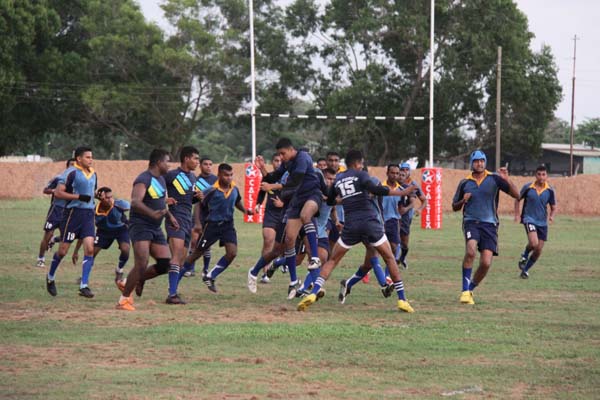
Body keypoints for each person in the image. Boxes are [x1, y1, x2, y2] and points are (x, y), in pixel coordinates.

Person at [297, 149, 418, 313]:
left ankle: (313, 292)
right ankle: (402, 300)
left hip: (351, 225)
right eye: (361, 163)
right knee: (389, 257)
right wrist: (402, 192)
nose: (362, 166)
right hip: (370, 223)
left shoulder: (339, 178)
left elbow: (331, 199)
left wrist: (342, 199)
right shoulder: (361, 175)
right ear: (357, 163)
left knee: (332, 260)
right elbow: (376, 189)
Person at [255, 138, 325, 298]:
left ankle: (313, 287)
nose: (280, 158)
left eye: (282, 154)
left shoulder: (304, 162)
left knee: (311, 251)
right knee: (284, 245)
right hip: (291, 210)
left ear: (291, 150)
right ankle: (288, 278)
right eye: (278, 155)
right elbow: (274, 179)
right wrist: (263, 170)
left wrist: (332, 198)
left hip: (306, 206)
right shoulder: (288, 165)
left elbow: (296, 183)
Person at [452, 150, 519, 305]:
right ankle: (464, 291)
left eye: (482, 160)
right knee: (470, 251)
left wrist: (507, 180)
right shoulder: (465, 182)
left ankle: (470, 289)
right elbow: (454, 207)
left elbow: (517, 195)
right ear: (472, 163)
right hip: (471, 222)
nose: (480, 163)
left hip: (490, 225)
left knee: (486, 263)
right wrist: (463, 201)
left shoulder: (495, 179)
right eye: (476, 161)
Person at [116, 149, 180, 311]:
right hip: (140, 226)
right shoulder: (143, 179)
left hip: (155, 227)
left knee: (165, 264)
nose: (169, 165)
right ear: (158, 162)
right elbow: (135, 202)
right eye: (167, 162)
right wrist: (152, 213)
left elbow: (159, 200)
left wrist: (169, 215)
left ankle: (128, 282)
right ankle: (123, 301)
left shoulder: (161, 179)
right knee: (142, 263)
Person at [180, 163, 253, 293]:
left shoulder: (234, 189)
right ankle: (176, 280)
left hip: (228, 225)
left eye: (231, 175)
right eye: (226, 175)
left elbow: (237, 201)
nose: (229, 178)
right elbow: (198, 204)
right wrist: (197, 223)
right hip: (212, 226)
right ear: (219, 175)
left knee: (232, 253)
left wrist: (245, 211)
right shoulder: (211, 190)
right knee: (197, 254)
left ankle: (210, 276)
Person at [46, 147, 97, 298]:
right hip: (73, 214)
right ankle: (50, 277)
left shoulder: (93, 173)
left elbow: (91, 192)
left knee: (90, 249)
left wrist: (99, 196)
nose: (91, 159)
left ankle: (84, 286)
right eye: (87, 157)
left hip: (89, 214)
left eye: (91, 157)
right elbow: (58, 192)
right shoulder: (70, 173)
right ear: (79, 159)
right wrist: (78, 197)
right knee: (62, 251)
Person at [72, 186, 130, 290]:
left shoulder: (119, 204)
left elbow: (133, 207)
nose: (110, 199)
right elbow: (83, 231)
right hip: (104, 232)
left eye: (111, 197)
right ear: (101, 198)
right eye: (107, 198)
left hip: (121, 230)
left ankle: (119, 270)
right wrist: (76, 250)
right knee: (91, 253)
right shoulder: (95, 211)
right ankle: (84, 277)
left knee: (125, 250)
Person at [163, 146, 201, 304]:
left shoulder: (193, 177)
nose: (197, 162)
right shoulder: (171, 175)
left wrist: (197, 197)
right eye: (195, 159)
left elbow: (188, 200)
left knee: (182, 259)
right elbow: (154, 190)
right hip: (175, 219)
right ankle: (172, 295)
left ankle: (172, 290)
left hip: (187, 220)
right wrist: (165, 201)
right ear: (186, 159)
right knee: (176, 255)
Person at [514, 165, 557, 279]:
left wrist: (552, 216)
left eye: (543, 174)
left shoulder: (550, 190)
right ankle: (524, 255)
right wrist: (517, 214)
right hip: (529, 219)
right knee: (533, 243)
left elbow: (553, 207)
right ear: (535, 175)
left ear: (547, 176)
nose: (541, 177)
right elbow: (517, 199)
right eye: (539, 174)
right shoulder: (528, 187)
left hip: (542, 223)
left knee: (538, 250)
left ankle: (525, 270)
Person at [36, 158, 75, 268]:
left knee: (69, 236)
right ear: (67, 166)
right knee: (48, 234)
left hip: (69, 212)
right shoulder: (59, 178)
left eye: (75, 165)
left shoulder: (79, 181)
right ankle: (41, 258)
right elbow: (45, 190)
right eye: (71, 165)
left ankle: (54, 240)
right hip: (56, 210)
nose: (73, 167)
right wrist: (55, 191)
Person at [253, 153, 284, 283]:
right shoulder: (269, 177)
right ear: (272, 162)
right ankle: (265, 273)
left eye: (281, 161)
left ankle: (280, 263)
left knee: (282, 246)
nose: (279, 163)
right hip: (271, 214)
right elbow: (262, 191)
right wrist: (258, 204)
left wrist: (283, 204)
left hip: (285, 214)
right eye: (276, 160)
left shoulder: (288, 177)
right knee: (268, 240)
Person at [187, 157, 218, 277]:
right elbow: (195, 201)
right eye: (206, 164)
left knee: (206, 244)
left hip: (211, 215)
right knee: (194, 241)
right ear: (200, 166)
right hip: (198, 213)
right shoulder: (195, 180)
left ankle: (205, 270)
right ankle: (190, 268)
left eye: (210, 164)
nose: (208, 166)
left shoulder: (216, 180)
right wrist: (197, 220)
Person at [397, 162, 427, 269]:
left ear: (409, 172)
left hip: (406, 216)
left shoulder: (413, 184)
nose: (404, 172)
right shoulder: (394, 182)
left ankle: (402, 257)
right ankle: (394, 261)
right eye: (402, 170)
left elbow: (424, 200)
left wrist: (419, 209)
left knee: (404, 241)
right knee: (395, 238)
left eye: (406, 170)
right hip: (394, 215)